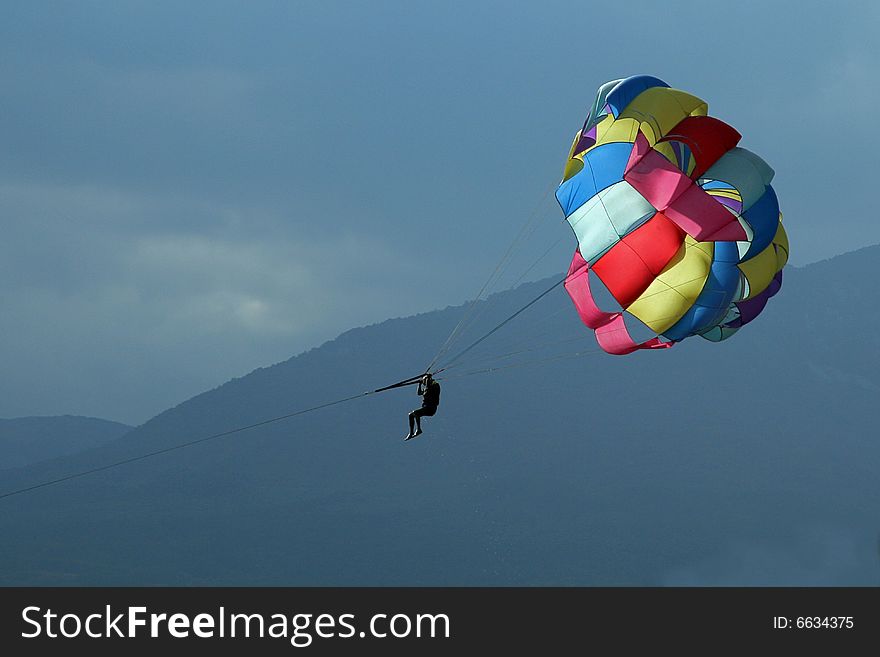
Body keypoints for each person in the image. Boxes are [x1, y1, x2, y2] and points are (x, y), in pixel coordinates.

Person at [405, 373, 440, 441]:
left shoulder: (434, 386)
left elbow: (429, 386)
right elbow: (419, 393)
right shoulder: (426, 389)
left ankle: (418, 430)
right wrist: (419, 384)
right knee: (411, 415)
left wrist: (427, 378)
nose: (424, 383)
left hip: (431, 408)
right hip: (426, 408)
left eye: (424, 381)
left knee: (416, 413)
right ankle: (411, 432)